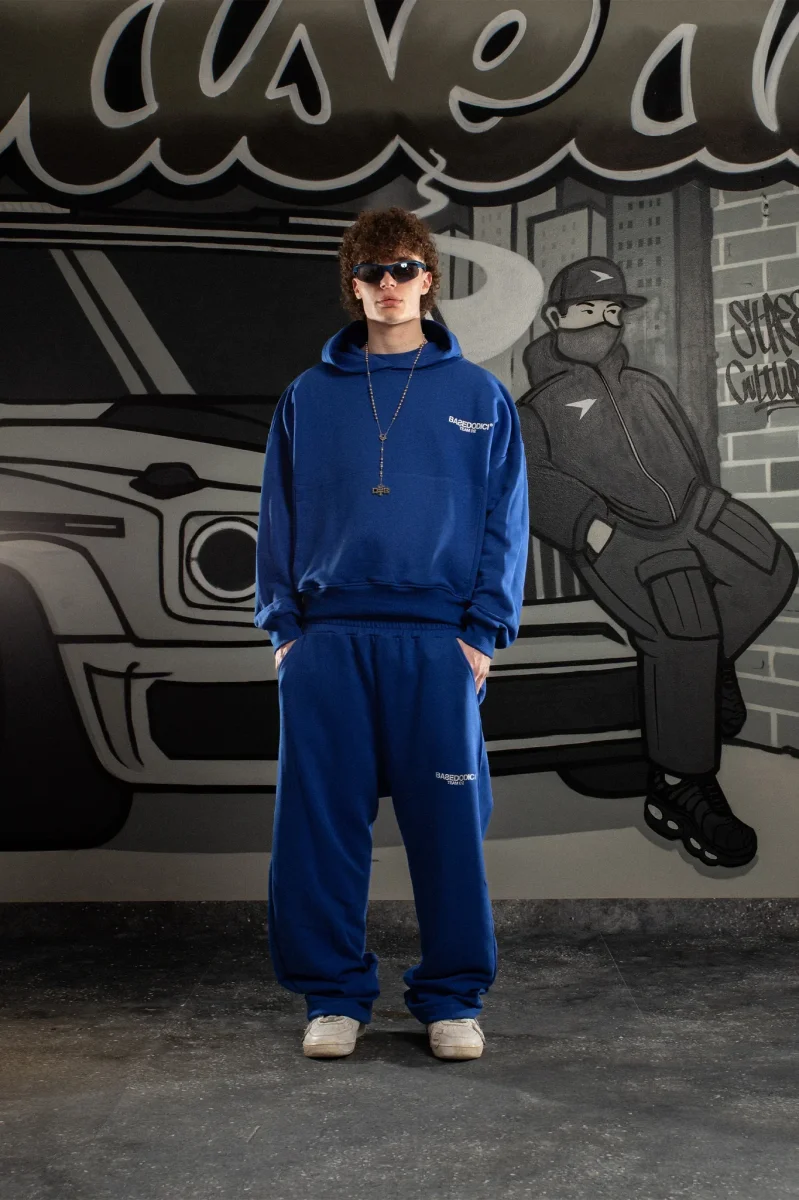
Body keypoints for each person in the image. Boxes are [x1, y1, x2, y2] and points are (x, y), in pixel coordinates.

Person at [254, 206, 529, 1060]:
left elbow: (506, 520)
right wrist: (285, 631)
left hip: (437, 644)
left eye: (402, 269)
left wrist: (482, 632)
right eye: (370, 273)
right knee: (318, 832)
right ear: (353, 286)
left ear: (428, 279)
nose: (387, 285)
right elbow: (276, 516)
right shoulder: (308, 395)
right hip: (328, 640)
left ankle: (451, 999)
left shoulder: (478, 395)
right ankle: (333, 997)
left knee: (448, 832)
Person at [518, 255, 797, 870]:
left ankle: (709, 671)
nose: (604, 322)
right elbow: (529, 481)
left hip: (691, 510)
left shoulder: (646, 386)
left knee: (771, 565)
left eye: (612, 310)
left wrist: (708, 500)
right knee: (682, 627)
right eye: (588, 309)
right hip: (620, 534)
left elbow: (690, 448)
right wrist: (589, 526)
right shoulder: (537, 407)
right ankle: (680, 783)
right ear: (557, 319)